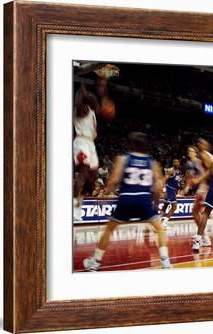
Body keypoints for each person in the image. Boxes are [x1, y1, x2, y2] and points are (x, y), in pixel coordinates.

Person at [83, 132, 171, 271]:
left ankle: (95, 262)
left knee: (109, 230)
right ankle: (166, 263)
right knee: (160, 229)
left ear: (130, 144)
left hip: (126, 199)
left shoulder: (123, 159)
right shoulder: (152, 162)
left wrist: (104, 194)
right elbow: (157, 187)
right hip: (144, 199)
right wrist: (154, 203)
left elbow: (114, 181)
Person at [73, 84, 99, 221]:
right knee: (83, 173)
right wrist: (82, 92)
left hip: (91, 143)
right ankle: (72, 204)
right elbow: (80, 100)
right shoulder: (79, 109)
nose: (91, 97)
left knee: (91, 179)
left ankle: (78, 207)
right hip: (81, 142)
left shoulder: (92, 110)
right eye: (89, 97)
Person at [160, 159, 181, 229]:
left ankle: (164, 222)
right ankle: (159, 223)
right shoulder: (171, 170)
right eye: (175, 162)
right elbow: (164, 180)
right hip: (169, 190)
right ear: (173, 163)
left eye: (177, 162)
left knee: (174, 207)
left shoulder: (178, 171)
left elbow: (176, 181)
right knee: (165, 206)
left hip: (173, 191)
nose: (176, 163)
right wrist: (164, 190)